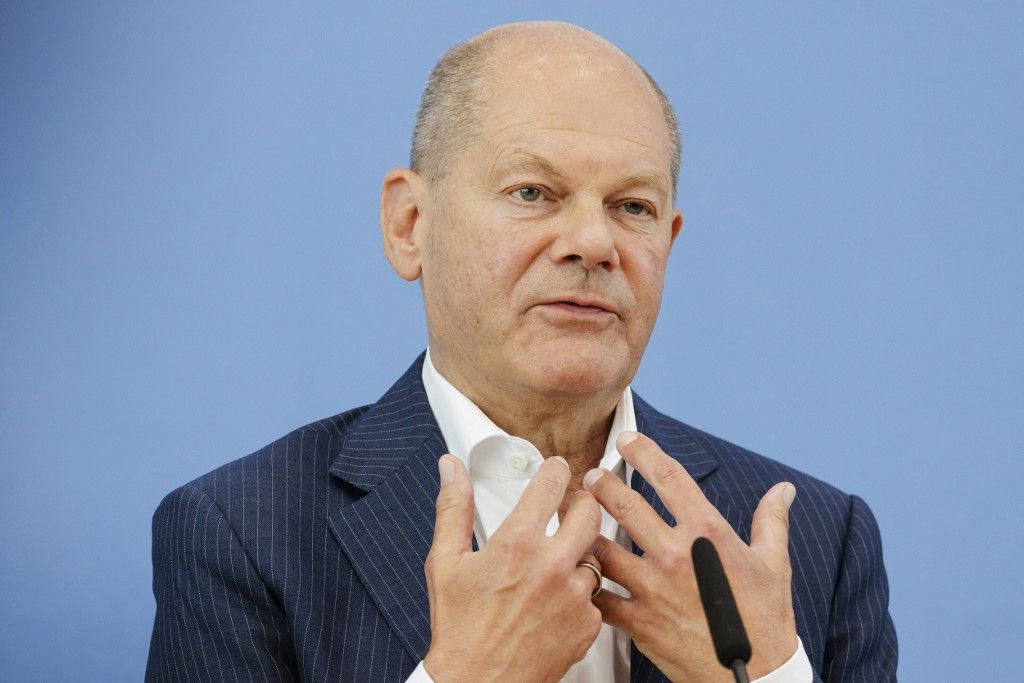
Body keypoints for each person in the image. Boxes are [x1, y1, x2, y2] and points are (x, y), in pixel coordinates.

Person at [146, 21, 897, 682]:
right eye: (533, 192)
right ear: (410, 224)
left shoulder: (819, 544)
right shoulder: (244, 534)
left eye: (632, 207)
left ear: (666, 243)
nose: (594, 243)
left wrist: (766, 679)